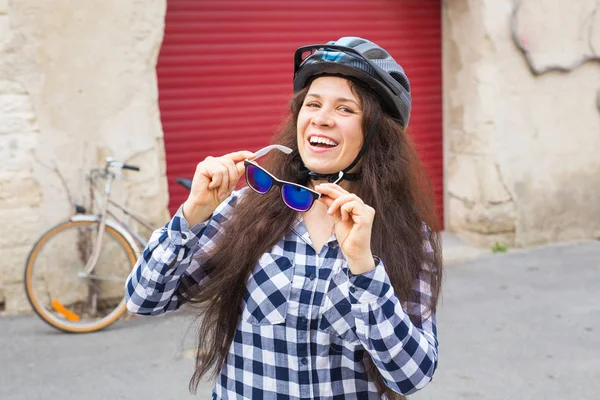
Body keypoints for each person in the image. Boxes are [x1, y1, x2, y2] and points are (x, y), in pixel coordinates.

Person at [126, 36, 442, 399]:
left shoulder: (406, 235)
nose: (321, 119)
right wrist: (192, 215)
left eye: (345, 109)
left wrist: (365, 268)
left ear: (376, 134)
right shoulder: (248, 210)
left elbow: (411, 376)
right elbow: (144, 300)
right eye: (313, 104)